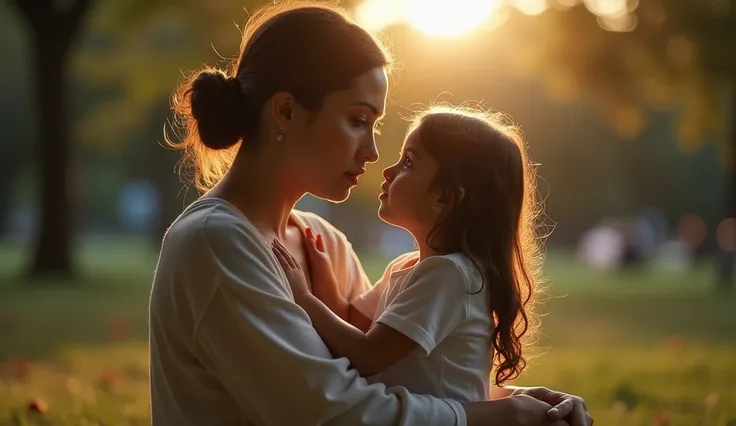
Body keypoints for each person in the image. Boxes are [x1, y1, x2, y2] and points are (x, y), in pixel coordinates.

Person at [148, 2, 593, 426]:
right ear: (285, 111)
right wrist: (493, 418)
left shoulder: (323, 242)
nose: (374, 151)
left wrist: (529, 404)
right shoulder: (215, 242)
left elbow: (392, 379)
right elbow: (335, 414)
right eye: (358, 120)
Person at [272, 105, 540, 404]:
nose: (388, 171)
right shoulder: (407, 266)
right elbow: (350, 323)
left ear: (445, 197)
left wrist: (301, 296)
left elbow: (366, 355)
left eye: (409, 162)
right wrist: (323, 273)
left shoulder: (450, 275)